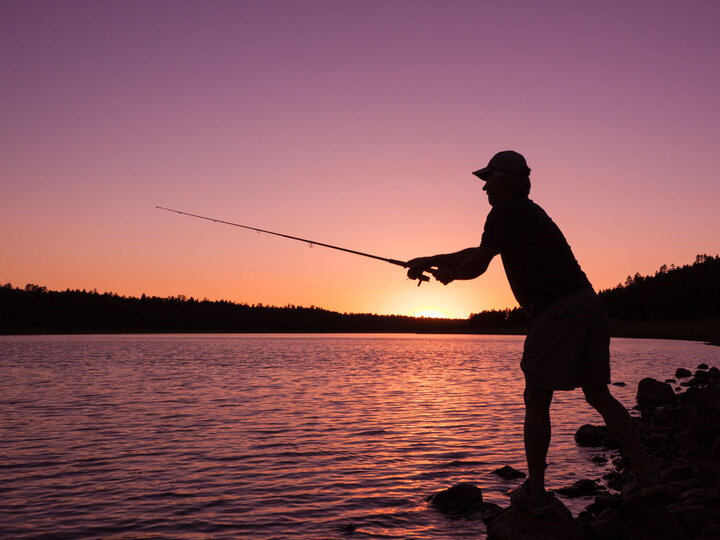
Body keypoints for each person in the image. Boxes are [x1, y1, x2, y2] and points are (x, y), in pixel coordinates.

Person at [407, 150, 655, 514]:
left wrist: (451, 274)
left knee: (537, 396)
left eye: (488, 179)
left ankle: (536, 489)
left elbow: (477, 263)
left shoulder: (505, 211)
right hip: (588, 304)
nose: (485, 188)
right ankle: (647, 474)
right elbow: (479, 250)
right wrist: (430, 260)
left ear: (505, 179)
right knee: (598, 394)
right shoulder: (528, 212)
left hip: (556, 311)